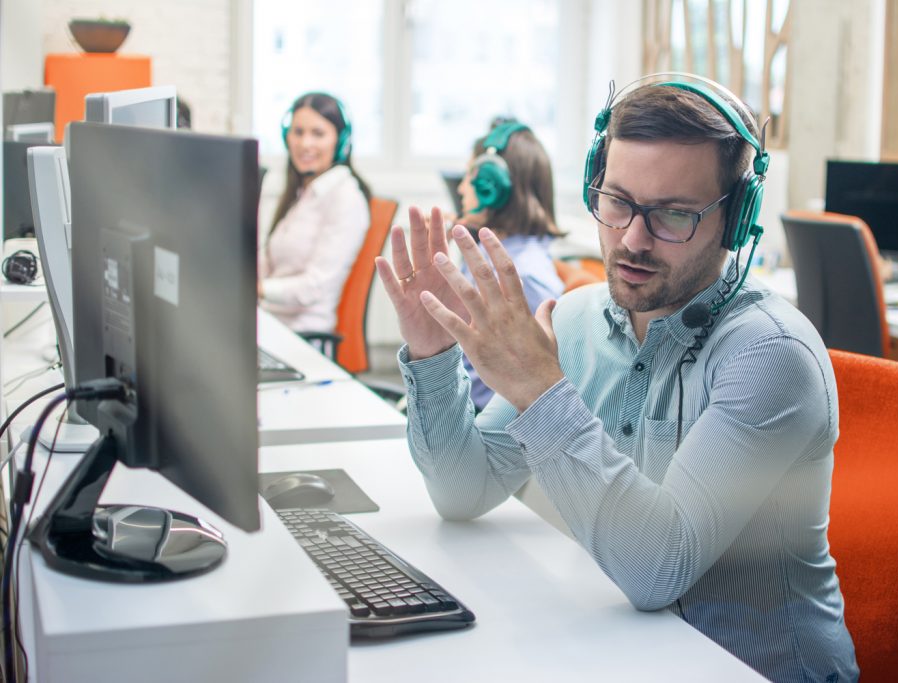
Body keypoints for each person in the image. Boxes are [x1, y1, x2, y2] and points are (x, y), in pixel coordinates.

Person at [375, 74, 859, 682]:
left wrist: (538, 391)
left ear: (736, 221)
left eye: (674, 215)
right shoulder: (579, 319)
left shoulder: (770, 356)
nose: (632, 240)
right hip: (628, 652)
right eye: (617, 201)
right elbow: (462, 491)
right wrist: (432, 351)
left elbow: (659, 570)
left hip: (749, 668)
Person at [454, 119, 565, 410]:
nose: (462, 189)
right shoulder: (489, 253)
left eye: (469, 177)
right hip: (464, 403)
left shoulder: (523, 276)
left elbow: (544, 391)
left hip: (489, 423)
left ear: (495, 187)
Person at [258, 92, 371, 333]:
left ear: (340, 142)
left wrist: (258, 288)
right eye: (298, 132)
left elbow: (314, 287)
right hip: (270, 323)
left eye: (318, 134)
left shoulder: (346, 198)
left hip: (302, 334)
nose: (304, 143)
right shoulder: (303, 193)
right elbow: (271, 263)